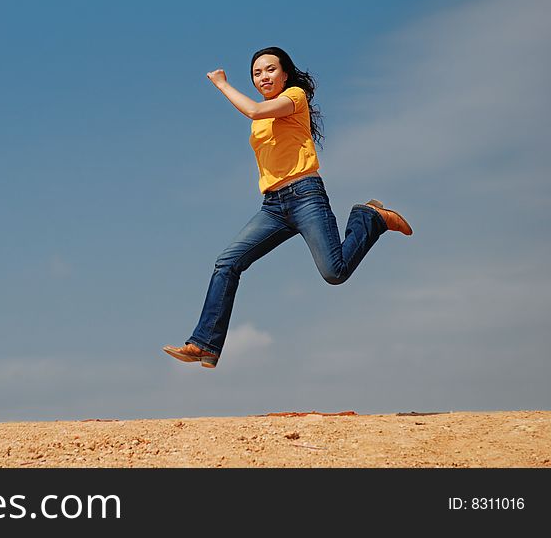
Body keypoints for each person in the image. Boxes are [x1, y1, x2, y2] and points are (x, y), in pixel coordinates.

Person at [163, 46, 412, 369]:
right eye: (256, 73)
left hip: (305, 196)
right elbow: (258, 117)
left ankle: (370, 218)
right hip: (273, 207)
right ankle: (205, 344)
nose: (263, 77)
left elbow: (252, 111)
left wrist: (222, 84)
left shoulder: (294, 97)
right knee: (227, 263)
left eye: (269, 70)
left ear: (285, 73)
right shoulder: (265, 113)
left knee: (334, 273)